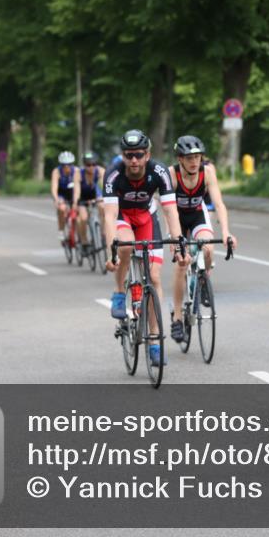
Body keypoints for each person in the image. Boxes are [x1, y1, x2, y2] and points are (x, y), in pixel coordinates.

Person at [102, 130, 187, 366]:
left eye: (139, 155)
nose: (134, 160)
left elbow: (170, 210)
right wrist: (112, 251)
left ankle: (155, 342)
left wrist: (179, 243)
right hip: (123, 217)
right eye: (129, 155)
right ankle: (120, 292)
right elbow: (109, 216)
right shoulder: (113, 174)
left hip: (147, 218)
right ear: (123, 156)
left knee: (154, 277)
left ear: (147, 154)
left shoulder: (159, 171)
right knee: (126, 247)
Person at [166, 135, 237, 343]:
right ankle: (177, 318)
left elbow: (219, 204)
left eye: (197, 157)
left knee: (207, 248)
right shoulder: (172, 175)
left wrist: (225, 232)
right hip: (176, 218)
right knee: (181, 263)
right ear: (180, 159)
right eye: (189, 158)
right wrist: (174, 239)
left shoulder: (208, 172)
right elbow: (167, 208)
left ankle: (204, 278)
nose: (194, 162)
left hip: (197, 214)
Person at [50, 152, 80, 244]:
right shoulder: (56, 171)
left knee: (79, 210)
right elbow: (54, 187)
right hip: (62, 193)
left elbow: (78, 188)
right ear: (61, 165)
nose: (67, 167)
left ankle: (78, 234)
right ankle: (61, 231)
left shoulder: (77, 171)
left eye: (69, 165)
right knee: (62, 209)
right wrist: (56, 199)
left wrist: (76, 201)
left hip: (73, 192)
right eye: (64, 165)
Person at [78, 151, 104, 249]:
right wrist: (76, 201)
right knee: (83, 218)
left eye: (94, 164)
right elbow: (76, 190)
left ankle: (103, 234)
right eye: (88, 165)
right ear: (84, 165)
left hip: (96, 196)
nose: (91, 167)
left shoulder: (101, 171)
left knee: (103, 207)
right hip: (83, 198)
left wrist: (104, 196)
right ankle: (84, 241)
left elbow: (105, 186)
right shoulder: (79, 173)